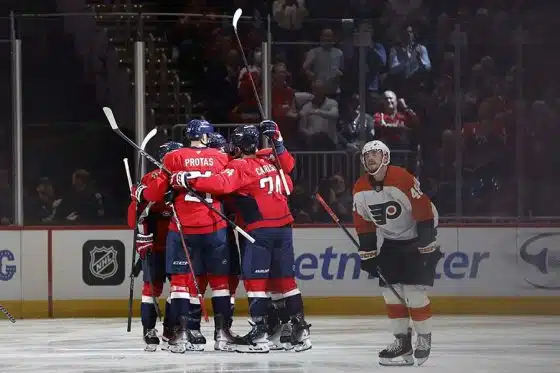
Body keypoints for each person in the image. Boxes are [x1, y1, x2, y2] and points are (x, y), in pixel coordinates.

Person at [183, 124, 312, 353]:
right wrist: (278, 142)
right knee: (286, 282)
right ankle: (299, 332)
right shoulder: (270, 162)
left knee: (255, 282)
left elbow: (221, 184)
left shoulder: (241, 165)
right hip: (284, 227)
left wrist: (190, 180)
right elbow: (289, 178)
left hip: (259, 230)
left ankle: (260, 335)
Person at [140, 120, 231, 353]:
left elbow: (156, 192)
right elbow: (227, 186)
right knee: (220, 283)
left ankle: (179, 336)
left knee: (180, 284)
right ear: (204, 137)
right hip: (215, 226)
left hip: (183, 228)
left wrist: (140, 192)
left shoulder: (174, 157)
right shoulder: (221, 157)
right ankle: (223, 335)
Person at [352, 140, 442, 366]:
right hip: (392, 241)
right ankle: (402, 341)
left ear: (386, 158)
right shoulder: (360, 188)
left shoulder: (402, 178)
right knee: (391, 294)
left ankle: (424, 337)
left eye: (375, 154)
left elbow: (423, 210)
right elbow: (363, 223)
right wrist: (368, 254)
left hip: (416, 238)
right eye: (367, 155)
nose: (370, 158)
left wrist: (426, 246)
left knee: (413, 293)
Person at [128, 141, 183, 351]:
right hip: (157, 245)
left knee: (179, 289)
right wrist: (137, 198)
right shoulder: (150, 179)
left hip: (178, 244)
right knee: (151, 290)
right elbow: (135, 217)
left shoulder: (184, 177)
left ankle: (172, 327)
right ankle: (148, 329)